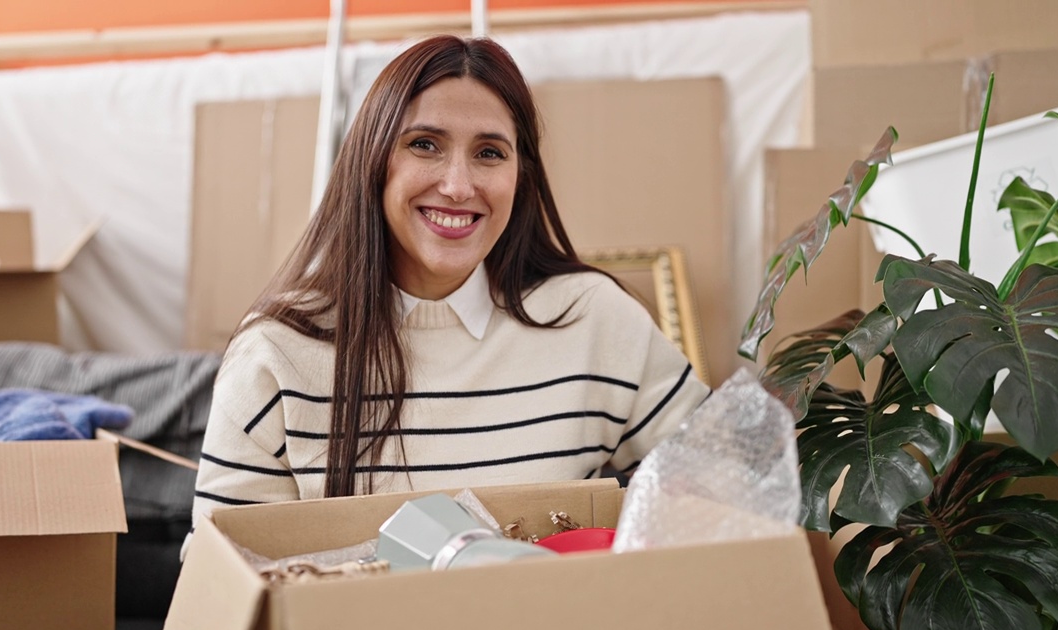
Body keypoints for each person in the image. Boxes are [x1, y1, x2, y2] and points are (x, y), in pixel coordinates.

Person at [190, 35, 709, 532]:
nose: (459, 186)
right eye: (424, 144)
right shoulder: (275, 352)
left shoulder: (595, 317)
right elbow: (223, 582)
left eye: (489, 153)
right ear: (373, 162)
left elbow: (722, 483)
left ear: (520, 175)